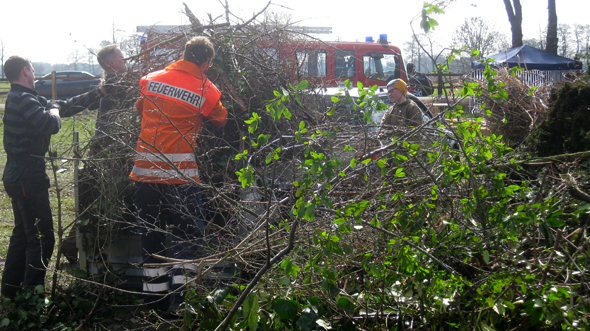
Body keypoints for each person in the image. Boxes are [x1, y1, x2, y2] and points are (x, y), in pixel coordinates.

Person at [129, 36, 227, 311]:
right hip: (179, 178)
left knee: (152, 240)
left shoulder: (150, 79)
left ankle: (155, 306)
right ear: (207, 63)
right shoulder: (205, 88)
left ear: (182, 53)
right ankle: (184, 305)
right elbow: (220, 119)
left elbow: (141, 108)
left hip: (145, 177)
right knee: (189, 238)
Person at [1, 56, 107, 299]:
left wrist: (97, 93)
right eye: (32, 68)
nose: (34, 72)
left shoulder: (23, 97)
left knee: (23, 234)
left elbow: (63, 106)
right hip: (27, 175)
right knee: (42, 237)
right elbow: (50, 123)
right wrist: (54, 109)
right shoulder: (24, 99)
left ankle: (11, 290)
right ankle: (33, 295)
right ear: (26, 71)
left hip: (19, 174)